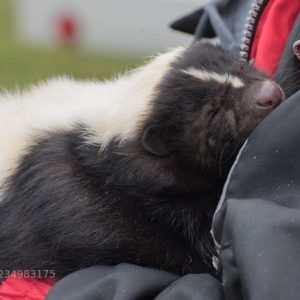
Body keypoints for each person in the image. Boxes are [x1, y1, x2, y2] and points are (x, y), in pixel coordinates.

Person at [2, 0, 300, 299]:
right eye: (214, 114)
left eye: (240, 68)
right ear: (161, 147)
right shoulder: (99, 219)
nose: (266, 88)